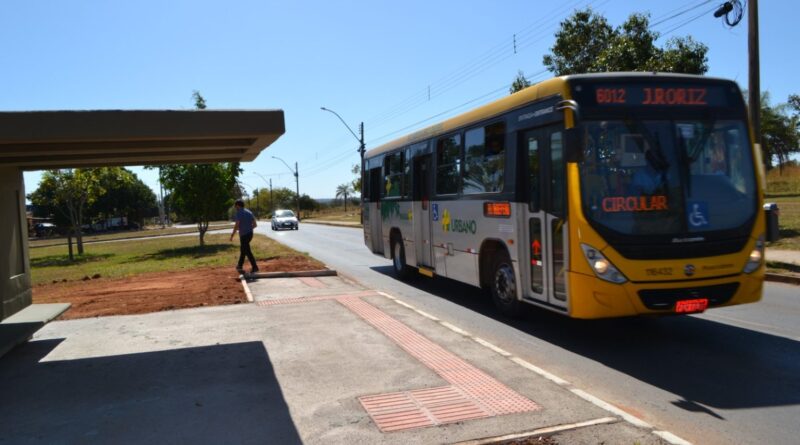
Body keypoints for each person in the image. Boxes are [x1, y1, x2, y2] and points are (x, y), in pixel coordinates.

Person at [230, 199, 258, 273]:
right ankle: (239, 266)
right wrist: (248, 228)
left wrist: (232, 235)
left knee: (247, 251)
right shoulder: (249, 212)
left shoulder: (239, 213)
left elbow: (237, 225)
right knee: (244, 250)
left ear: (238, 205)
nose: (235, 207)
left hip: (244, 235)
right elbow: (255, 225)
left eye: (235, 206)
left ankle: (255, 267)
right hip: (250, 234)